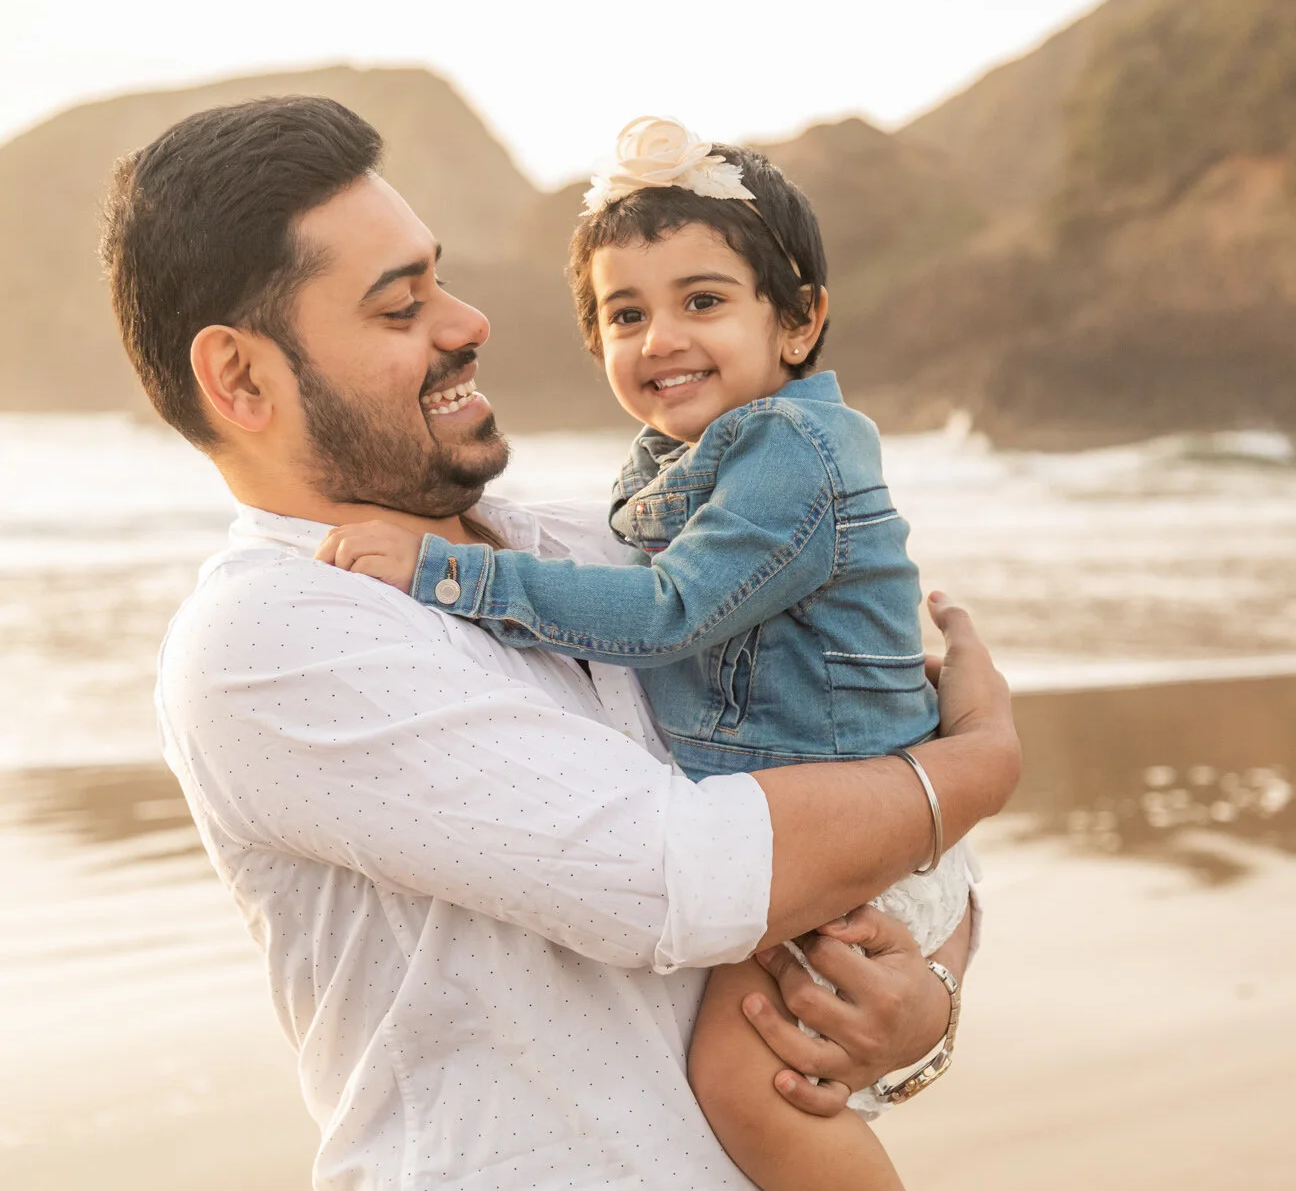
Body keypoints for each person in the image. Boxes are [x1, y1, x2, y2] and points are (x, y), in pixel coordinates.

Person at [100, 94, 1021, 1190]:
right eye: (402, 308)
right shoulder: (267, 636)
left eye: (439, 278)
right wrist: (974, 764)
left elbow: (871, 788)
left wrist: (926, 996)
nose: (467, 320)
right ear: (240, 378)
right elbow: (682, 873)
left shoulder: (594, 541)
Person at [315, 118, 969, 1191]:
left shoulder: (789, 450)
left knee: (748, 1082)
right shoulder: (679, 459)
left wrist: (446, 574)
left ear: (798, 320)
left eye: (701, 301)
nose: (660, 336)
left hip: (857, 832)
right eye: (626, 313)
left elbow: (668, 610)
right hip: (837, 819)